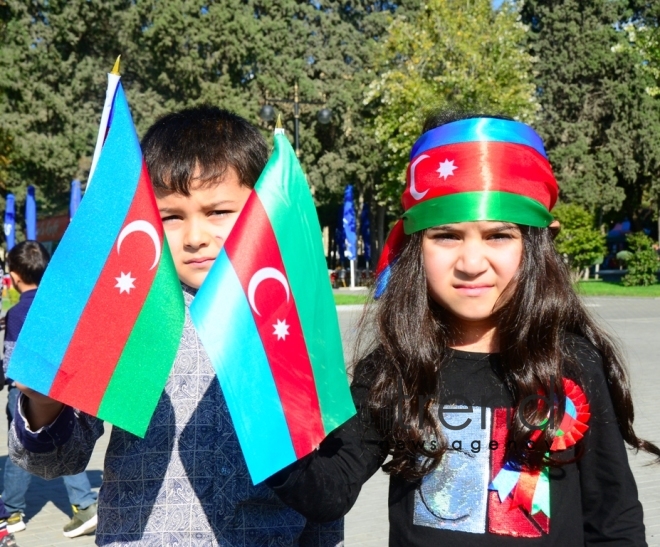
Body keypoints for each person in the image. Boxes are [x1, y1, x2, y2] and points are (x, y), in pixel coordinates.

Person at [267, 114, 660, 545]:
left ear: (536, 245)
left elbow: (614, 520)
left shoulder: (574, 363)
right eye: (447, 236)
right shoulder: (395, 366)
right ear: (415, 247)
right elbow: (328, 491)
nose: (471, 264)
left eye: (498, 236)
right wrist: (263, 417)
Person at [7, 107, 342, 546]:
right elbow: (58, 462)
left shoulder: (289, 316)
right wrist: (44, 406)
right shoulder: (125, 311)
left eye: (218, 211)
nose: (195, 236)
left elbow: (323, 473)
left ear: (261, 207)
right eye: (172, 216)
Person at [1, 241, 99, 539]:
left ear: (15, 277)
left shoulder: (18, 312)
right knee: (63, 441)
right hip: (63, 388)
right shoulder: (58, 304)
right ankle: (83, 505)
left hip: (27, 394)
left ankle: (12, 512)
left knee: (23, 450)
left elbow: (12, 362)